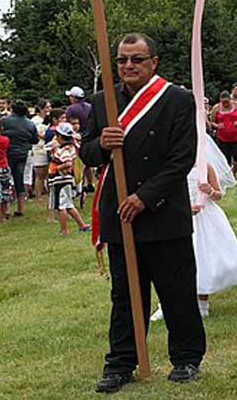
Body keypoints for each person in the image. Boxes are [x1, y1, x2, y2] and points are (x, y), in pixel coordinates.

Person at [80, 33, 204, 392]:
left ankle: (186, 358)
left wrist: (144, 197)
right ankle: (121, 363)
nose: (128, 66)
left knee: (177, 292)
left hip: (163, 212)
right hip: (121, 213)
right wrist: (101, 144)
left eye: (136, 59)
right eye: (122, 60)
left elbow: (182, 158)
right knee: (125, 295)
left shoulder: (178, 100)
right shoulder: (103, 100)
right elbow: (86, 153)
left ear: (154, 62)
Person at [151, 135, 237, 321]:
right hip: (180, 216)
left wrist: (209, 192)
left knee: (203, 258)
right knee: (171, 261)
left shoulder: (205, 168)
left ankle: (202, 302)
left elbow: (218, 194)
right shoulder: (171, 167)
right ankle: (166, 305)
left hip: (205, 218)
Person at [48, 122, 90, 235]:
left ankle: (64, 230)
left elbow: (67, 163)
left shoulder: (64, 150)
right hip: (65, 181)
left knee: (61, 206)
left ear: (60, 137)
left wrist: (56, 168)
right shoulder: (71, 147)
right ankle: (82, 225)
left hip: (61, 180)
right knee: (69, 205)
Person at [2, 101, 38, 217]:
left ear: (12, 110)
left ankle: (6, 209)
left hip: (8, 153)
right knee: (20, 179)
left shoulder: (6, 121)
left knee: (6, 180)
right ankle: (20, 209)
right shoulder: (30, 124)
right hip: (23, 154)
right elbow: (35, 140)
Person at [210, 91, 237, 175]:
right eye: (223, 102)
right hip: (223, 137)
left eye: (227, 102)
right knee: (225, 157)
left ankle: (233, 172)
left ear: (230, 100)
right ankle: (227, 174)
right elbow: (212, 122)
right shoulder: (216, 108)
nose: (225, 104)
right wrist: (217, 125)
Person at [30, 100, 51, 200]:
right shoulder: (35, 120)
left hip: (49, 146)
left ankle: (49, 192)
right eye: (47, 107)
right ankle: (38, 195)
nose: (49, 109)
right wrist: (46, 137)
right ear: (41, 109)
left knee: (48, 173)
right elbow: (37, 133)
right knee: (40, 174)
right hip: (39, 147)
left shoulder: (49, 120)